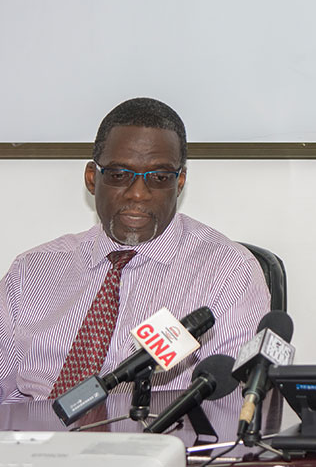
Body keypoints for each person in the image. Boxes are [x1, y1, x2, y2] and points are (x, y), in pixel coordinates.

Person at [0, 97, 270, 402]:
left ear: (179, 182)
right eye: (119, 175)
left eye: (159, 177)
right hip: (35, 441)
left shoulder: (229, 272)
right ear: (92, 178)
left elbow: (234, 404)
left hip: (159, 441)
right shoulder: (32, 271)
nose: (138, 193)